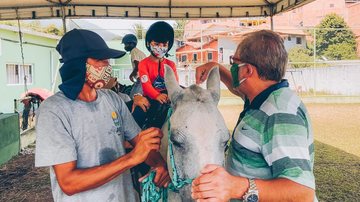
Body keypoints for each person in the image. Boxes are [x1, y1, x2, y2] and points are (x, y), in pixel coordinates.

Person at [35, 29, 169, 202]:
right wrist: (132, 158)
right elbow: (68, 183)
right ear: (77, 64)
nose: (107, 65)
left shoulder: (112, 99)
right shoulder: (53, 111)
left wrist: (159, 164)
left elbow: (140, 143)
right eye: (100, 59)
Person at [191, 30, 316, 202]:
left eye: (234, 63)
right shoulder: (261, 98)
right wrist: (215, 67)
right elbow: (237, 88)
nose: (232, 68)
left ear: (248, 70)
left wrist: (235, 186)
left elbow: (302, 192)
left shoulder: (279, 114)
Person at [137, 21, 178, 129]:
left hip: (168, 97)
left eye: (164, 45)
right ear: (148, 43)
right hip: (150, 98)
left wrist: (171, 95)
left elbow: (175, 83)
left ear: (168, 45)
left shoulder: (171, 65)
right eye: (156, 44)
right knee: (138, 112)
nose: (160, 47)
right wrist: (157, 95)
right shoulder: (143, 64)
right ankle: (133, 139)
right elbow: (146, 85)